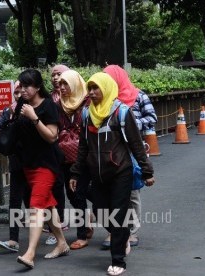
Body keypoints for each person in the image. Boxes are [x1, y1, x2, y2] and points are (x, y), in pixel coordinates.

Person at [69, 72, 155, 276]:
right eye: (89, 88)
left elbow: (136, 145)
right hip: (97, 174)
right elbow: (83, 147)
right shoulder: (86, 114)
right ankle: (123, 235)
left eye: (95, 88)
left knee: (117, 214)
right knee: (100, 212)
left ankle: (118, 260)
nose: (91, 92)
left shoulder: (122, 113)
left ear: (106, 88)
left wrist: (147, 171)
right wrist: (75, 173)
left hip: (120, 172)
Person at [0, 69, 68, 269]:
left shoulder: (49, 106)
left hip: (46, 164)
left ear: (37, 87)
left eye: (27, 86)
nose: (22, 90)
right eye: (21, 86)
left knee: (36, 207)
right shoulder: (21, 105)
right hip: (28, 164)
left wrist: (34, 118)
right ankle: (61, 242)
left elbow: (52, 137)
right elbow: (14, 127)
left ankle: (30, 253)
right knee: (48, 205)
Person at [103, 65, 158, 248]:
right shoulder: (105, 98)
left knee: (132, 193)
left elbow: (152, 118)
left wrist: (130, 125)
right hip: (110, 152)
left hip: (132, 150)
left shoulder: (138, 95)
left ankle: (132, 231)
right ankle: (115, 231)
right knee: (111, 193)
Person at [0, 81, 31, 253]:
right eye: (16, 92)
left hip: (36, 164)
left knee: (37, 203)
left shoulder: (34, 109)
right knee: (15, 202)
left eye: (22, 92)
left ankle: (55, 233)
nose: (18, 96)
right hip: (17, 164)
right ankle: (13, 240)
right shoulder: (8, 111)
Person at [56, 70, 93, 250]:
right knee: (72, 194)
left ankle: (82, 234)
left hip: (84, 156)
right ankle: (87, 221)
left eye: (66, 84)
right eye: (60, 84)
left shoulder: (88, 103)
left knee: (79, 193)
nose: (62, 87)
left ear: (76, 84)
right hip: (64, 157)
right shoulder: (57, 104)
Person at [44, 64, 71, 246]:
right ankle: (57, 225)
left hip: (73, 150)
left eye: (59, 74)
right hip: (53, 149)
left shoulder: (77, 95)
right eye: (53, 75)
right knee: (56, 187)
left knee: (75, 189)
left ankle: (87, 222)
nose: (55, 78)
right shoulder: (47, 98)